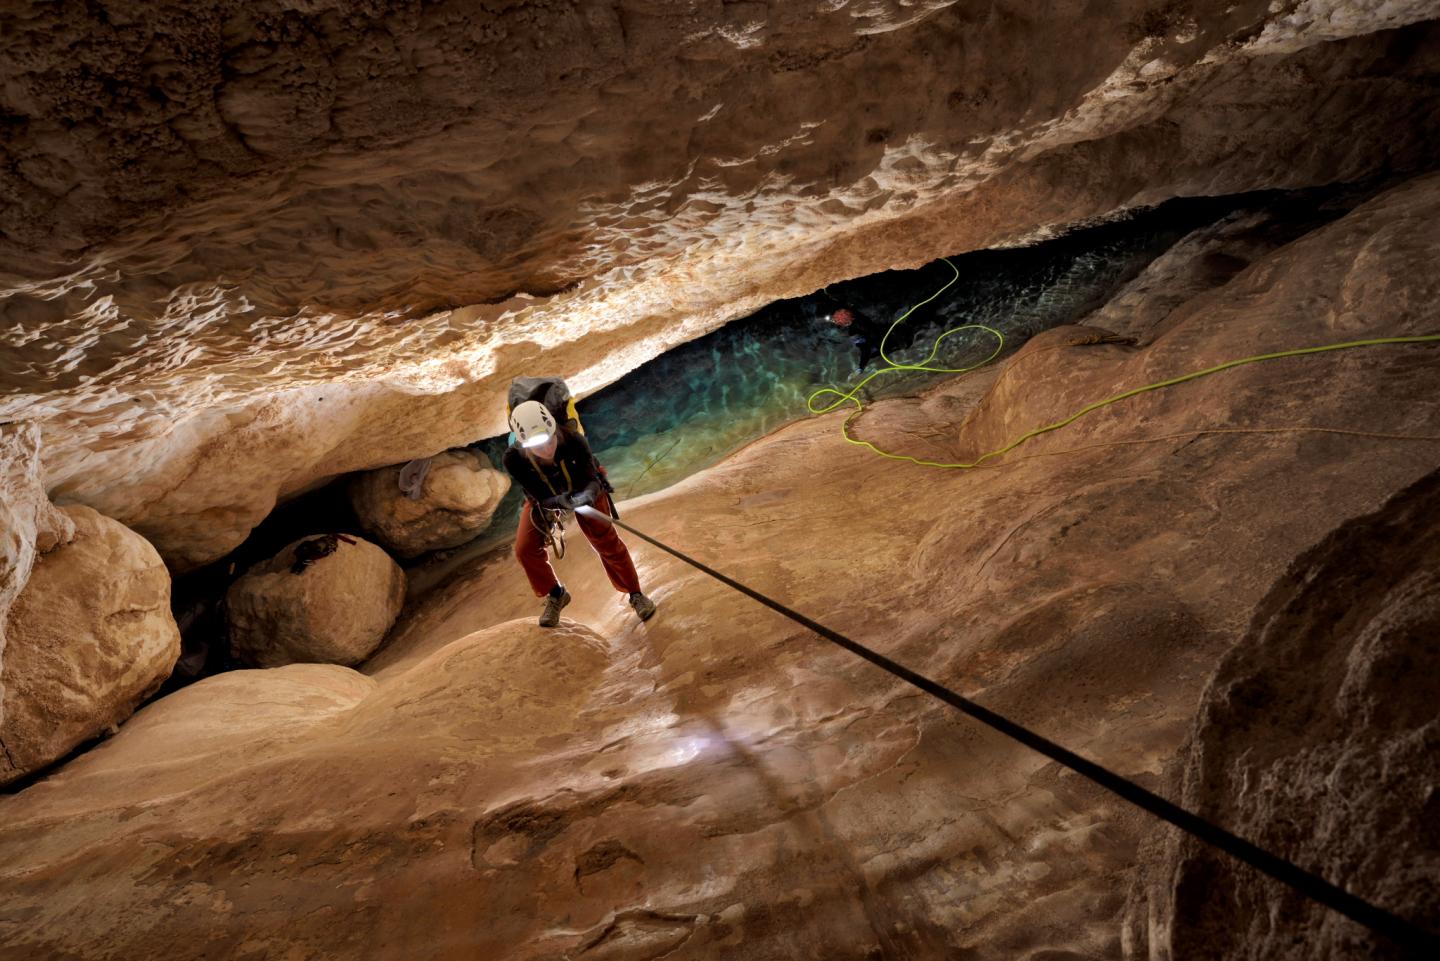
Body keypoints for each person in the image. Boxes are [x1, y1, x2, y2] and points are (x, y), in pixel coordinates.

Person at [502, 400, 657, 627]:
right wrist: (558, 501)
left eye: (549, 439)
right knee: (525, 549)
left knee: (605, 541)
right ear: (524, 444)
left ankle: (636, 595)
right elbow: (536, 494)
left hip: (585, 486)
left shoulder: (573, 439)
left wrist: (586, 496)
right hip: (548, 496)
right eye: (538, 445)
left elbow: (593, 478)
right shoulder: (513, 459)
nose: (546, 449)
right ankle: (555, 594)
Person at [826, 306, 897, 372]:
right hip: (886, 332)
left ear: (843, 324)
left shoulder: (853, 332)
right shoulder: (859, 316)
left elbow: (865, 349)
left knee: (870, 353)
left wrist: (861, 367)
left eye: (837, 321)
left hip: (883, 345)